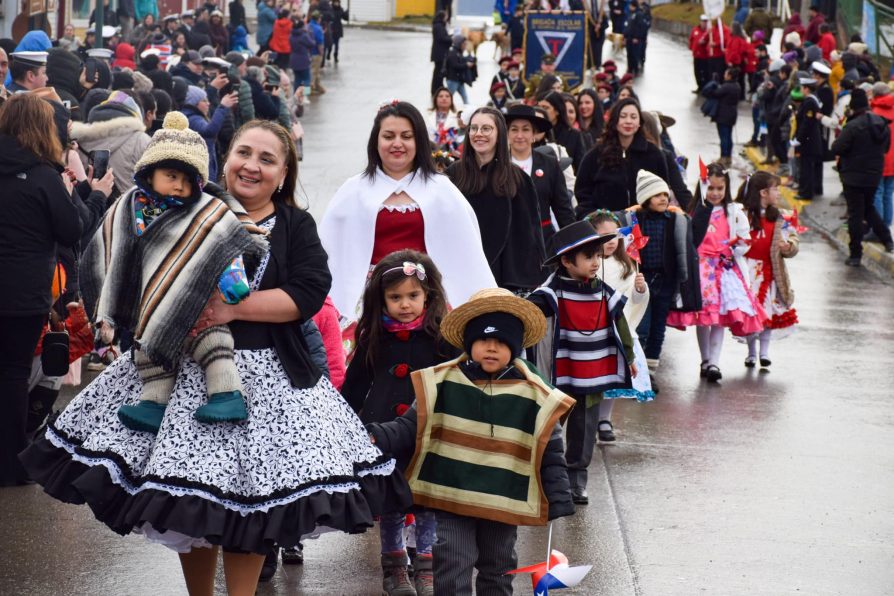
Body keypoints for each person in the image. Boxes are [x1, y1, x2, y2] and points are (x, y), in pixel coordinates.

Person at [21, 118, 413, 593]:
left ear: (285, 174)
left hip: (269, 382)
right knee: (194, 502)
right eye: (243, 153)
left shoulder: (293, 224)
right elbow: (126, 252)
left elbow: (309, 291)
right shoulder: (186, 204)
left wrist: (233, 307)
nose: (251, 166)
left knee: (252, 507)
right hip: (182, 373)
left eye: (267, 159)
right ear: (224, 160)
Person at [367, 288, 575, 595]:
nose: (491, 348)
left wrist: (557, 493)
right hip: (452, 494)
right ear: (469, 342)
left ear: (515, 347)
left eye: (502, 342)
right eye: (483, 340)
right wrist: (374, 436)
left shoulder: (534, 392)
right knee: (452, 560)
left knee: (499, 565)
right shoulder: (441, 382)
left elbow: (550, 446)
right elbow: (410, 426)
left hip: (504, 498)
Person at [82, 111, 267, 433]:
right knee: (147, 351)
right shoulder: (128, 208)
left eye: (188, 179)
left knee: (213, 342)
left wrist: (233, 283)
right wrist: (106, 313)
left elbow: (223, 246)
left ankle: (226, 394)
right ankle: (153, 403)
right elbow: (110, 252)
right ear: (149, 172)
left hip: (199, 306)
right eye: (171, 175)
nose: (179, 186)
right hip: (146, 308)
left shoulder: (208, 210)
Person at [341, 250, 457, 596]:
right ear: (382, 299)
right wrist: (345, 425)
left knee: (426, 500)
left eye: (412, 296)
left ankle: (427, 567)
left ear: (428, 296)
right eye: (395, 297)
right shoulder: (372, 337)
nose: (404, 304)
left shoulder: (442, 338)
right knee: (390, 502)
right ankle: (394, 570)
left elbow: (455, 382)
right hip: (383, 431)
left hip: (429, 430)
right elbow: (354, 386)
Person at [319, 101, 494, 320]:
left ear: (419, 141)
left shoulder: (442, 190)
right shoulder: (353, 191)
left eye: (407, 136)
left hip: (427, 298)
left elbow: (466, 254)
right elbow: (328, 252)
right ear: (376, 141)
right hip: (370, 300)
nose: (397, 144)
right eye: (389, 136)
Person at [0, 94, 82, 486]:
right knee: (14, 373)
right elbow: (72, 230)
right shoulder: (45, 175)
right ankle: (11, 464)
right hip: (25, 292)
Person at [529, 221, 633, 504]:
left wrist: (630, 355)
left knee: (585, 428)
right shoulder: (550, 292)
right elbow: (530, 313)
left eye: (598, 256)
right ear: (566, 260)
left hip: (593, 370)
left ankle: (577, 480)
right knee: (549, 425)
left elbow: (619, 322)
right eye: (589, 257)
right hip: (561, 371)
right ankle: (546, 478)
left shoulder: (603, 291)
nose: (596, 263)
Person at [667, 162, 766, 382]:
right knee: (703, 317)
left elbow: (744, 239)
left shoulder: (733, 211)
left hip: (724, 270)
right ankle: (705, 359)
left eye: (720, 189)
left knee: (719, 319)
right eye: (710, 188)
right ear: (702, 187)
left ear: (726, 188)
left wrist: (734, 248)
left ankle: (714, 362)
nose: (715, 193)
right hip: (700, 270)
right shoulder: (694, 211)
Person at [447, 107, 546, 294]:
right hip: (463, 271)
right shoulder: (453, 175)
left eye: (486, 128)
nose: (478, 134)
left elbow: (531, 231)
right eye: (474, 128)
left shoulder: (518, 178)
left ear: (499, 133)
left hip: (507, 276)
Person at [621, 170, 698, 390]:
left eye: (665, 194)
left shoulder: (674, 219)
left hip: (665, 281)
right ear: (645, 199)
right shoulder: (636, 220)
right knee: (642, 328)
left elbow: (684, 246)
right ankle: (639, 371)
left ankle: (651, 372)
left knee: (658, 329)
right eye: (657, 195)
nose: (664, 198)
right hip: (642, 282)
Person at [589, 210, 652, 441]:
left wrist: (639, 289)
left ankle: (605, 419)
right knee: (593, 378)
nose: (611, 240)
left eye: (615, 235)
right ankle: (589, 417)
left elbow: (635, 303)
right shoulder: (587, 262)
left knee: (614, 377)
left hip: (617, 328)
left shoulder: (627, 266)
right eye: (604, 235)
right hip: (592, 329)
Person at [738, 171, 800, 368]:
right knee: (751, 313)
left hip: (769, 271)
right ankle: (751, 353)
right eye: (776, 189)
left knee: (767, 314)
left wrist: (788, 246)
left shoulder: (779, 218)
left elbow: (792, 238)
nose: (779, 193)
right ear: (764, 193)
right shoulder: (743, 215)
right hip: (748, 272)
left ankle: (764, 352)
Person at [831, 88, 894, 264]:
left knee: (856, 215)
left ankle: (855, 254)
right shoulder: (881, 123)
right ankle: (887, 239)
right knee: (868, 208)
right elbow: (886, 148)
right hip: (873, 175)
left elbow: (837, 148)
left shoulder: (853, 125)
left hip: (853, 176)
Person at [575, 98, 669, 215]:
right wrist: (597, 218)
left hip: (645, 223)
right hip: (607, 226)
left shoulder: (653, 154)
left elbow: (663, 189)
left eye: (633, 117)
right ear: (614, 120)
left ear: (639, 122)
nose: (628, 121)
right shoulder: (596, 155)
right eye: (623, 116)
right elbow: (582, 193)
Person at [506, 104, 575, 246]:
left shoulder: (549, 164)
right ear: (507, 133)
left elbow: (563, 210)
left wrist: (574, 244)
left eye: (525, 129)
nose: (520, 135)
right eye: (514, 129)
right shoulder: (497, 165)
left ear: (534, 134)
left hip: (543, 243)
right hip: (507, 242)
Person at [71, 91, 152, 196]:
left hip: (88, 207)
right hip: (126, 208)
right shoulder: (141, 140)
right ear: (136, 115)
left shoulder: (76, 142)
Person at [183, 86, 239, 182]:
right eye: (204, 101)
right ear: (194, 103)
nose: (208, 103)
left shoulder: (194, 116)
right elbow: (210, 131)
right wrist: (222, 107)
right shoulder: (193, 118)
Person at [537, 91, 586, 173]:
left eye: (546, 108)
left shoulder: (574, 135)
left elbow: (581, 167)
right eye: (539, 107)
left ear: (557, 111)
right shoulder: (536, 133)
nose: (541, 111)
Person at [793, 72, 823, 201]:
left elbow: (807, 123)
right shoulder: (809, 101)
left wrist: (798, 139)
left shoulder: (809, 102)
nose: (801, 90)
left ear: (806, 89)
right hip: (809, 140)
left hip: (808, 141)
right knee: (807, 167)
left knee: (806, 168)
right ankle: (808, 190)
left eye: (802, 87)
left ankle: (806, 192)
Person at [871, 82, 894, 232]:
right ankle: (886, 223)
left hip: (879, 157)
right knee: (888, 191)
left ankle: (878, 228)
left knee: (877, 191)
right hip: (893, 158)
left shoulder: (874, 112)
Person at [707, 67, 741, 167]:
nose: (724, 76)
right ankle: (728, 156)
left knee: (724, 137)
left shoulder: (726, 86)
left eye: (726, 74)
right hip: (732, 114)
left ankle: (723, 157)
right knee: (728, 136)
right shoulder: (737, 86)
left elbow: (715, 93)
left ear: (730, 76)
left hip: (723, 114)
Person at [444, 34, 473, 105]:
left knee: (465, 98)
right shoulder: (452, 53)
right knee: (448, 99)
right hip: (452, 80)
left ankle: (468, 112)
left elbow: (460, 63)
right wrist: (466, 65)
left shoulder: (459, 53)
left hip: (459, 80)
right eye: (464, 44)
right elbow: (455, 66)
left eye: (466, 44)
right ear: (459, 43)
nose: (465, 46)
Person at [625, 0, 649, 77]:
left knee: (635, 55)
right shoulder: (631, 14)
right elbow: (628, 26)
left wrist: (637, 37)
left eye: (631, 6)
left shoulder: (639, 14)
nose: (629, 7)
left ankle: (636, 69)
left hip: (635, 39)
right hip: (629, 38)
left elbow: (640, 27)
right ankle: (630, 68)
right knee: (629, 55)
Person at [308, 11, 326, 94]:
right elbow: (320, 43)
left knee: (315, 70)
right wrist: (321, 53)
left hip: (308, 53)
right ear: (318, 19)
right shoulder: (318, 29)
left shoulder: (308, 26)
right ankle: (309, 90)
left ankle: (318, 86)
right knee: (314, 71)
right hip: (316, 53)